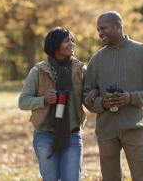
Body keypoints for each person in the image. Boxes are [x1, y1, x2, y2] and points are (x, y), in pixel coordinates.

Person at [84, 11, 143, 181]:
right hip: (106, 131)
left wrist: (131, 97)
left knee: (142, 177)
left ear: (118, 25)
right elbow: (86, 96)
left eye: (103, 28)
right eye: (98, 29)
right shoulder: (96, 60)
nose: (100, 33)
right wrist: (102, 103)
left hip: (135, 127)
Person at [18, 27, 96, 181]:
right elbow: (23, 101)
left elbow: (91, 91)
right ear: (55, 45)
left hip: (72, 135)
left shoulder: (80, 70)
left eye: (72, 40)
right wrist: (44, 99)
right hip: (44, 136)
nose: (72, 44)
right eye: (67, 40)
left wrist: (94, 93)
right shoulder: (38, 71)